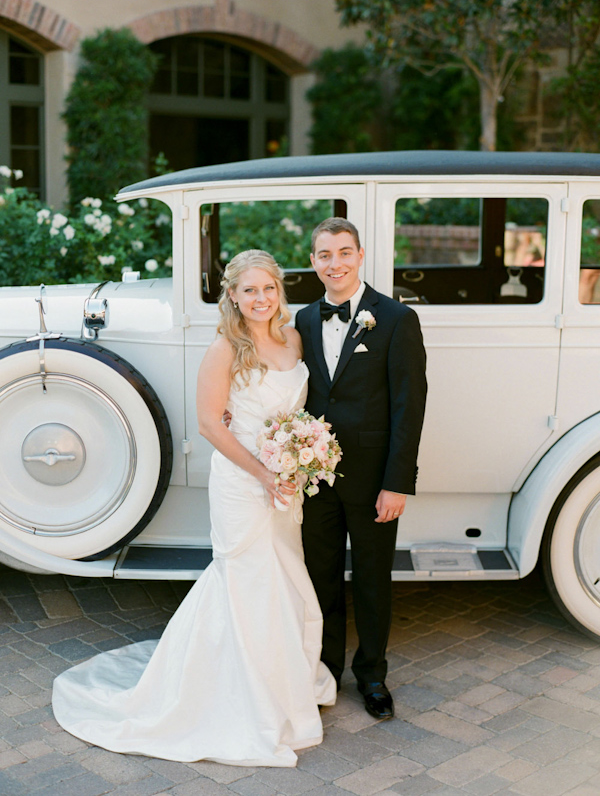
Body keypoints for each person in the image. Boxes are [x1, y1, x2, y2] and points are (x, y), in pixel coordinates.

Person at [51, 249, 337, 767]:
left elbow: (297, 410)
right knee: (245, 577)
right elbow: (210, 424)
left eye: (268, 288)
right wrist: (265, 473)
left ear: (280, 290)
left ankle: (283, 682)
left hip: (283, 483)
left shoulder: (293, 337)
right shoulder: (226, 347)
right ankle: (241, 696)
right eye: (248, 290)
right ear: (231, 295)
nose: (260, 298)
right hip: (242, 480)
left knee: (283, 575)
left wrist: (299, 460)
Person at [295, 217, 427, 720]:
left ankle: (372, 674)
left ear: (361, 255)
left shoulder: (395, 319)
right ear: (313, 262)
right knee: (320, 576)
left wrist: (398, 483)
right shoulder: (305, 320)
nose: (335, 263)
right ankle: (326, 670)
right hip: (315, 478)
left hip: (375, 480)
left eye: (344, 253)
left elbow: (409, 406)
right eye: (325, 255)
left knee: (372, 579)